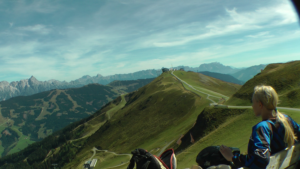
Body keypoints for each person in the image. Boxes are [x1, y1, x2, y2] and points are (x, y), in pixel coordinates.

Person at [219, 85, 300, 169]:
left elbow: (261, 158)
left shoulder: (262, 127)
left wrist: (232, 157)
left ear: (260, 104)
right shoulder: (286, 120)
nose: (252, 106)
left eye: (253, 102)